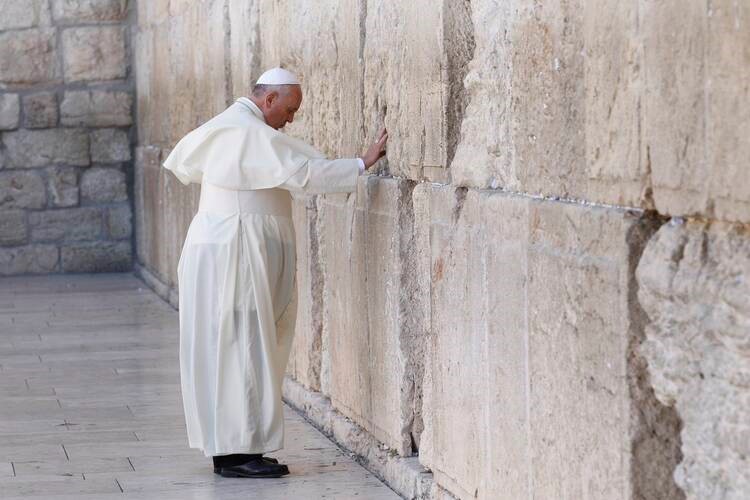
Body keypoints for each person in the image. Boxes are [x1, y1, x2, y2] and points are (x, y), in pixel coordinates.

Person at [162, 67, 388, 478]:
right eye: (289, 109)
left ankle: (237, 447)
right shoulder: (245, 132)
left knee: (237, 347)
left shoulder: (239, 127)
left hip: (231, 248)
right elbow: (301, 172)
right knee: (241, 347)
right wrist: (361, 162)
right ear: (269, 99)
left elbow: (290, 164)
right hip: (236, 252)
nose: (291, 119)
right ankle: (236, 454)